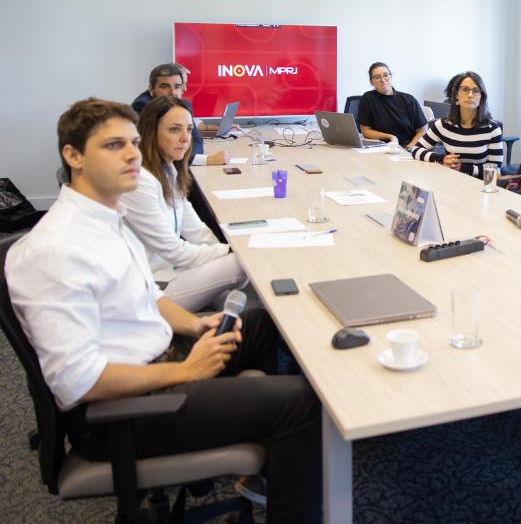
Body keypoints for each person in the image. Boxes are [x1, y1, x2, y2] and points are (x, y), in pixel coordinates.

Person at [5, 98, 322, 522]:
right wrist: (187, 370)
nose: (132, 154)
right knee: (302, 403)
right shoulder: (55, 250)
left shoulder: (106, 217)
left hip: (160, 360)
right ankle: (282, 449)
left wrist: (196, 325)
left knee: (263, 324)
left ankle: (269, 458)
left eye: (134, 143)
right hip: (124, 411)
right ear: (73, 156)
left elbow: (148, 296)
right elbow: (77, 382)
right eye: (114, 145)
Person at [120, 96, 247, 312]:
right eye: (174, 130)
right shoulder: (140, 182)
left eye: (188, 129)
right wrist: (227, 251)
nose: (185, 138)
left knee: (235, 299)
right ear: (151, 133)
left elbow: (198, 232)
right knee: (242, 263)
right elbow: (174, 251)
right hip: (150, 288)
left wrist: (220, 250)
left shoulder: (170, 171)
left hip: (172, 271)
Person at [130, 62, 227, 166]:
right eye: (165, 86)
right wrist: (206, 160)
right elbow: (161, 150)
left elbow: (196, 140)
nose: (173, 92)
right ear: (151, 89)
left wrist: (192, 157)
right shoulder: (143, 106)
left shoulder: (182, 106)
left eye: (177, 86)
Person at [410, 71, 504, 177]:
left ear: (481, 97)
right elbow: (415, 150)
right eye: (465, 89)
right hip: (452, 181)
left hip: (480, 184)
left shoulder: (492, 129)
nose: (470, 95)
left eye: (476, 91)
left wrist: (462, 168)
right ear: (457, 95)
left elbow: (496, 170)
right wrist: (442, 159)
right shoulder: (444, 125)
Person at [357, 61, 428, 147]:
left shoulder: (409, 100)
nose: (383, 80)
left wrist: (408, 149)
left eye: (386, 75)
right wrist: (390, 137)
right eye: (377, 77)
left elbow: (423, 130)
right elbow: (365, 130)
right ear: (371, 82)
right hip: (380, 147)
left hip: (407, 146)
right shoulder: (368, 98)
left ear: (390, 76)